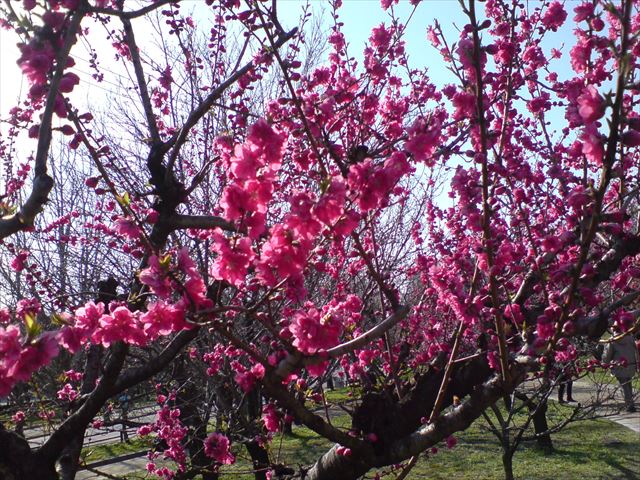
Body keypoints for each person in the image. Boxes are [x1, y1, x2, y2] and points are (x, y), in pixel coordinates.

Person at [602, 332, 638, 413]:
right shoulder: (630, 337)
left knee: (624, 384)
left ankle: (629, 404)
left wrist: (605, 362)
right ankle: (630, 402)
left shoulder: (613, 339)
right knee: (628, 384)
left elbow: (608, 354)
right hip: (630, 364)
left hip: (619, 365)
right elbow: (635, 351)